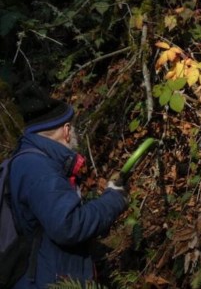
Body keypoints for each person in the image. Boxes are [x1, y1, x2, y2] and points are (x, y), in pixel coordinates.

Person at [9, 81, 127, 288]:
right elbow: (68, 226)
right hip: (46, 281)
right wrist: (114, 199)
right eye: (73, 128)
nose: (74, 135)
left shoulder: (26, 161)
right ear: (65, 130)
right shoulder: (39, 169)